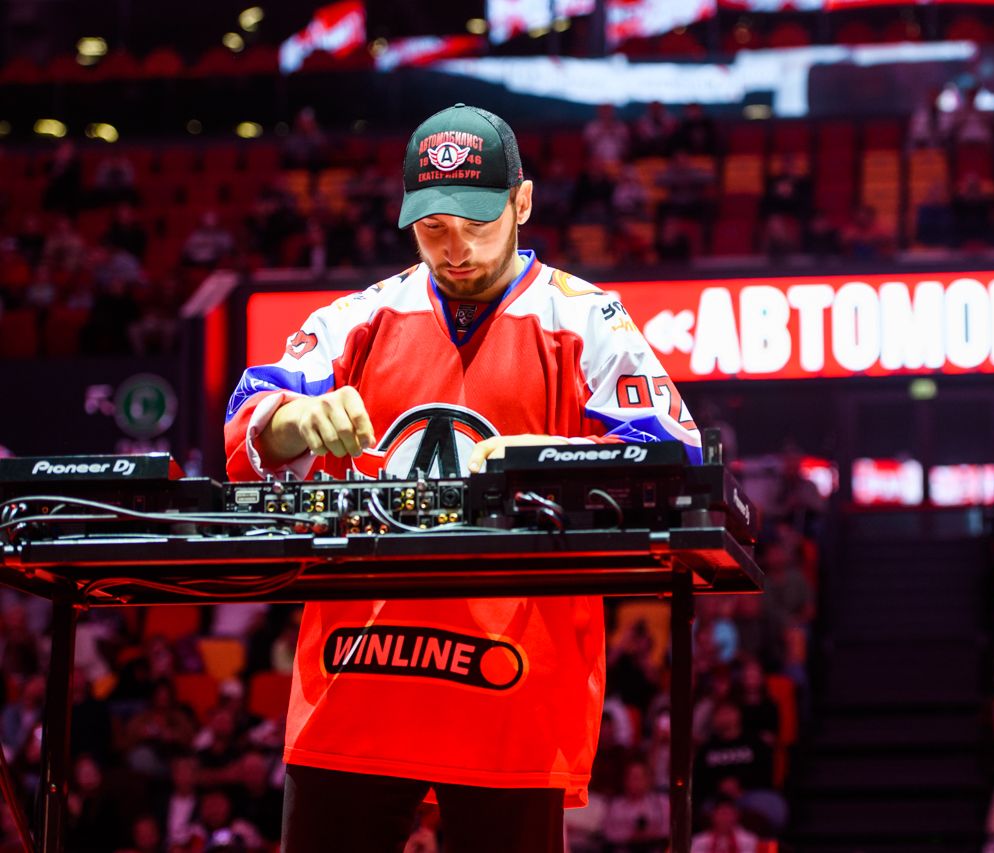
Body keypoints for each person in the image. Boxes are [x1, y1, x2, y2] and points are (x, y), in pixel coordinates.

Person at [224, 104, 701, 853]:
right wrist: (293, 420)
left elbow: (675, 455)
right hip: (357, 678)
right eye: (433, 227)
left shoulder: (587, 320)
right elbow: (248, 417)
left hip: (514, 684)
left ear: (523, 202)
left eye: (477, 223)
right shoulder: (358, 317)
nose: (456, 249)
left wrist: (540, 456)